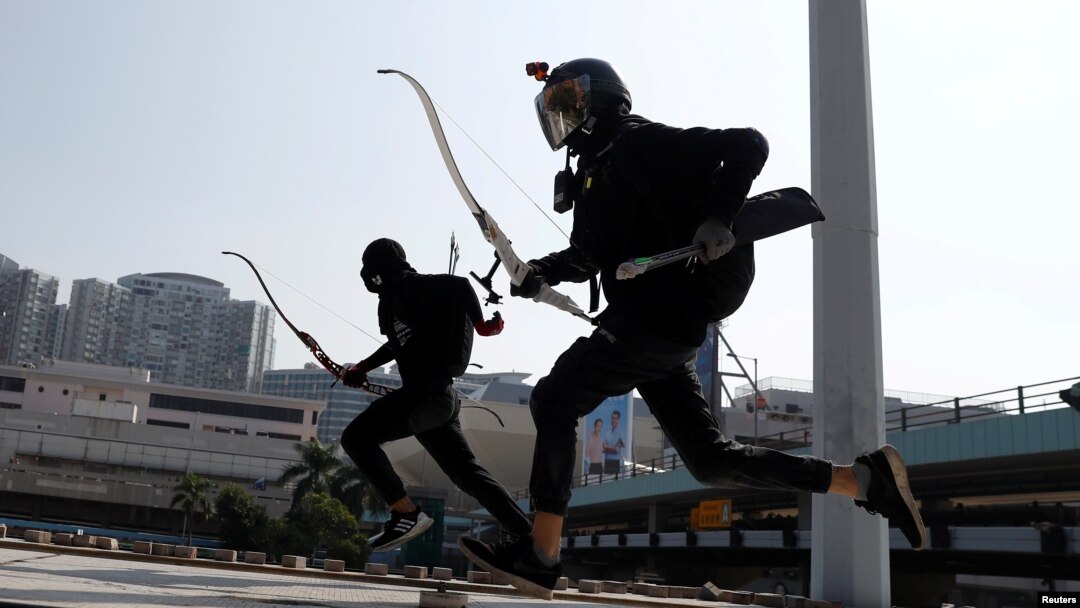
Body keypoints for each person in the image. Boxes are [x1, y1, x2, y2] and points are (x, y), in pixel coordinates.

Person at [457, 58, 926, 599]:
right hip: (660, 331)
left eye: (567, 101)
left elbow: (747, 144)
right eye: (552, 108)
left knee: (554, 399)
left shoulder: (638, 140)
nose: (560, 116)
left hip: (656, 318)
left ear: (601, 97)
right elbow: (588, 255)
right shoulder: (593, 174)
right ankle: (862, 480)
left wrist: (718, 219)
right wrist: (537, 272)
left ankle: (541, 554)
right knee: (709, 460)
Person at [338, 238, 532, 552]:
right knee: (468, 475)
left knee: (356, 438)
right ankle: (531, 541)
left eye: (369, 267)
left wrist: (481, 325)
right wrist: (362, 368)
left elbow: (460, 285)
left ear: (381, 267)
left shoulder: (408, 284)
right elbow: (397, 345)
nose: (367, 275)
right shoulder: (395, 301)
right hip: (438, 401)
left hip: (427, 396)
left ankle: (405, 513)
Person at [601, 409, 625, 475]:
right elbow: (602, 449)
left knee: (614, 480)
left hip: (615, 462)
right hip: (607, 462)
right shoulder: (607, 434)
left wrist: (606, 447)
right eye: (613, 418)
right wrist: (611, 448)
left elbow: (616, 450)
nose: (614, 420)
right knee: (606, 479)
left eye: (616, 418)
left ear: (619, 420)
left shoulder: (620, 434)